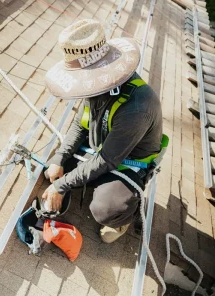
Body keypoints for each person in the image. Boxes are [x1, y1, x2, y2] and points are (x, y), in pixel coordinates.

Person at [41, 19, 163, 243]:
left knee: (105, 209)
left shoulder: (137, 107)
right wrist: (60, 156)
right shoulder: (97, 86)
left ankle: (124, 215)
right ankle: (86, 179)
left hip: (128, 161)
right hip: (104, 146)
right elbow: (80, 124)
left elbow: (107, 160)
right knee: (51, 167)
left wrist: (62, 185)